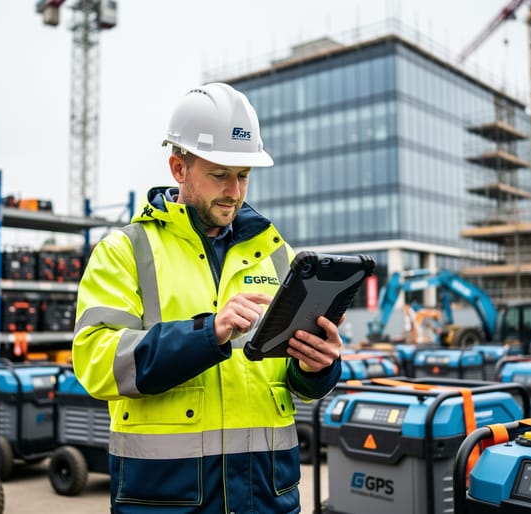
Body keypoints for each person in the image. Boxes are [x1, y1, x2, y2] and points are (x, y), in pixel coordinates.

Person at [72, 82, 343, 513]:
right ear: (179, 169)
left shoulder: (277, 255)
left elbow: (293, 387)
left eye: (243, 176)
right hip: (168, 501)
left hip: (265, 499)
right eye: (220, 175)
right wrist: (207, 334)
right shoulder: (125, 251)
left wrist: (318, 366)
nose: (234, 191)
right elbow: (97, 364)